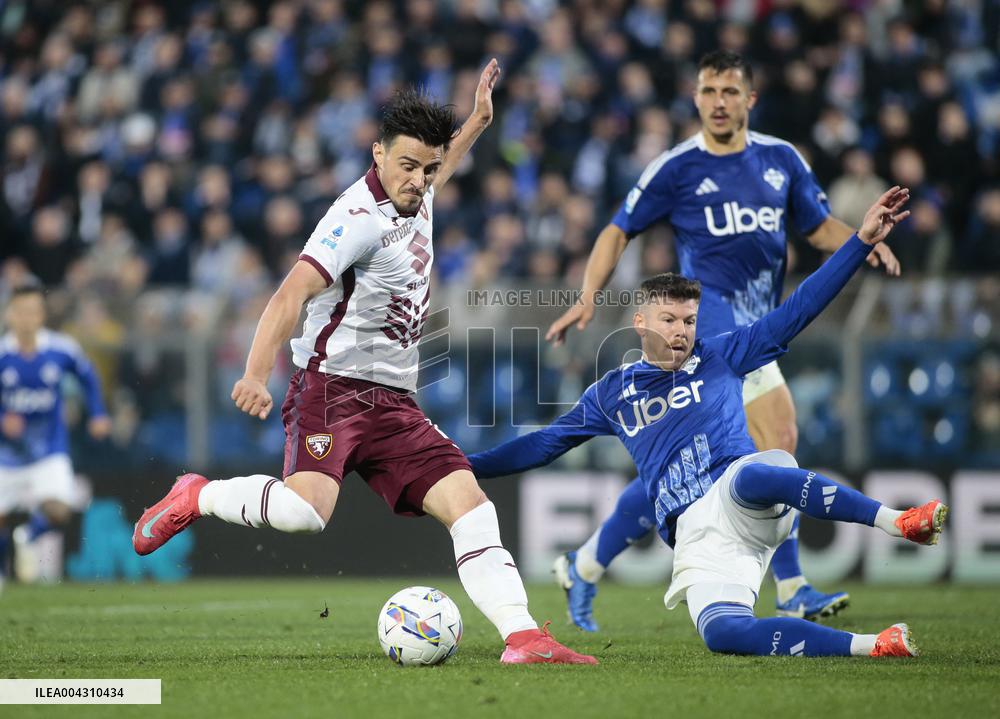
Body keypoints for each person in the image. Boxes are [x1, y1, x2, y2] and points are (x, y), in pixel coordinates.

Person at [132, 60, 596, 666]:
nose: (420, 180)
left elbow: (443, 161)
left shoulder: (419, 187)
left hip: (395, 401)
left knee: (471, 506)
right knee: (304, 513)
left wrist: (479, 121)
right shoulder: (354, 219)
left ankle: (524, 638)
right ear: (377, 154)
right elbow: (290, 294)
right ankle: (198, 495)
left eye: (428, 169)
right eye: (407, 166)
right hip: (333, 391)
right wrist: (254, 372)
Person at [473, 188, 941, 657]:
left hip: (743, 498)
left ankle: (897, 521)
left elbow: (798, 310)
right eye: (669, 319)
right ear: (640, 322)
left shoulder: (722, 355)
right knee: (723, 634)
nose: (681, 331)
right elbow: (542, 444)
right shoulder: (610, 394)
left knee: (753, 474)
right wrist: (464, 467)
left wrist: (859, 242)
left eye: (689, 321)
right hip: (696, 537)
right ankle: (875, 645)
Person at [544, 50, 902, 630]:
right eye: (708, 91)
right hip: (707, 330)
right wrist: (588, 294)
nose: (718, 102)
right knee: (774, 437)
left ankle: (584, 563)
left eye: (730, 91)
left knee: (693, 464)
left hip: (754, 331)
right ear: (695, 98)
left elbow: (816, 229)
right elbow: (618, 229)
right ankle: (792, 587)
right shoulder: (676, 167)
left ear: (749, 99)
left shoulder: (781, 159)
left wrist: (862, 242)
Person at [0, 283, 111, 588]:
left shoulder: (61, 348)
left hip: (49, 449)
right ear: (10, 314)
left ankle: (27, 535)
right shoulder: (3, 354)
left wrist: (98, 412)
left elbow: (87, 376)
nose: (28, 318)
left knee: (61, 510)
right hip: (6, 454)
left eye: (34, 311)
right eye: (21, 311)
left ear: (42, 315)